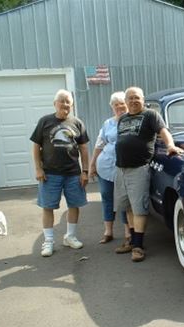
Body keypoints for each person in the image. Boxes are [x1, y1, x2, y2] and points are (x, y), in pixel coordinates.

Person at [114, 86, 183, 262]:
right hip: (121, 169)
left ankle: (138, 246)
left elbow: (163, 131)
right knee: (127, 206)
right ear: (126, 102)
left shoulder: (150, 115)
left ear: (143, 100)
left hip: (139, 168)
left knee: (138, 208)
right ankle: (130, 240)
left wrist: (170, 145)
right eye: (130, 98)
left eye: (137, 98)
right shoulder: (122, 119)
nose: (133, 101)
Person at [30, 89, 89, 257]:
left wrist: (85, 171)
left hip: (73, 173)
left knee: (74, 205)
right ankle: (48, 241)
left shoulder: (77, 123)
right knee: (48, 207)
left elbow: (84, 149)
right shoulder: (45, 121)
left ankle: (70, 237)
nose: (65, 104)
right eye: (61, 101)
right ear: (54, 103)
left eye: (67, 101)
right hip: (50, 174)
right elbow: (36, 146)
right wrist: (38, 168)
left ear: (72, 104)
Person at [89, 92, 132, 246]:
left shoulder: (133, 121)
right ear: (112, 107)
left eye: (122, 104)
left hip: (124, 167)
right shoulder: (107, 123)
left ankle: (128, 231)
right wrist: (92, 164)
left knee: (123, 200)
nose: (120, 107)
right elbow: (99, 144)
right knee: (107, 197)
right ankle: (108, 231)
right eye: (116, 105)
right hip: (105, 165)